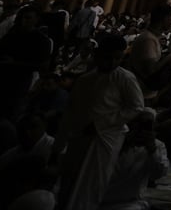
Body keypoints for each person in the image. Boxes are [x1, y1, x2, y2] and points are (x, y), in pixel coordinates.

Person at [52, 34, 146, 210]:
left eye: (117, 58)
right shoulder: (85, 80)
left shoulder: (124, 78)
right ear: (98, 54)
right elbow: (71, 113)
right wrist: (59, 145)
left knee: (92, 185)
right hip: (80, 137)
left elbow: (136, 107)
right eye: (108, 57)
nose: (111, 62)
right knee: (70, 182)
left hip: (105, 137)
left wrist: (102, 123)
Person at [98, 108, 170, 210]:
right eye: (139, 124)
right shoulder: (116, 140)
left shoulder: (157, 146)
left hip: (131, 202)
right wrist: (124, 146)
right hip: (101, 199)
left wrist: (152, 151)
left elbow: (158, 174)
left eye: (147, 126)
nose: (142, 129)